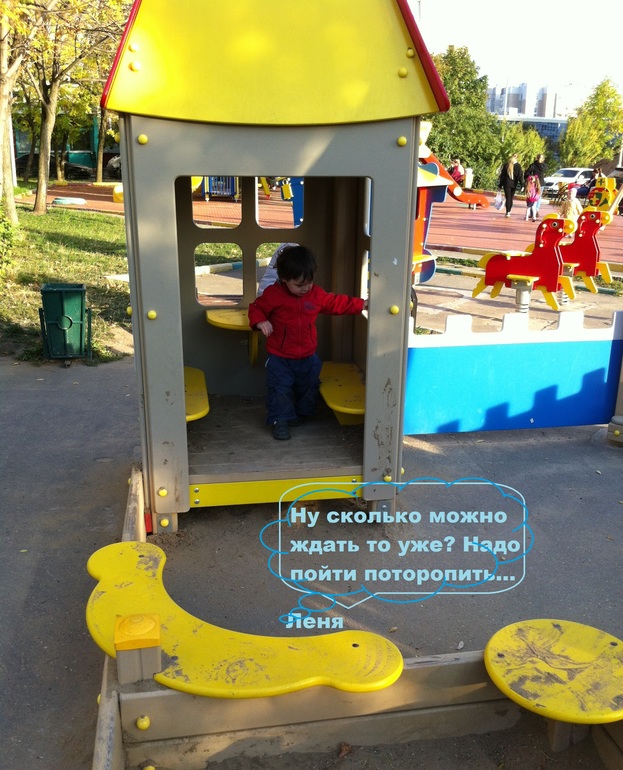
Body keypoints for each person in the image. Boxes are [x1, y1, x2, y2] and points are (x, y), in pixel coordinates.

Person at [248, 245, 367, 440]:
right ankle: (280, 420)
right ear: (284, 278)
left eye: (309, 283)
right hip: (280, 356)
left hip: (308, 355)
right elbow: (256, 308)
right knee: (280, 389)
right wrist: (261, 321)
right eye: (299, 284)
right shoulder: (273, 294)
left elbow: (335, 302)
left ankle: (301, 413)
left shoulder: (315, 294)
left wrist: (362, 304)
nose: (305, 288)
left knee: (309, 385)